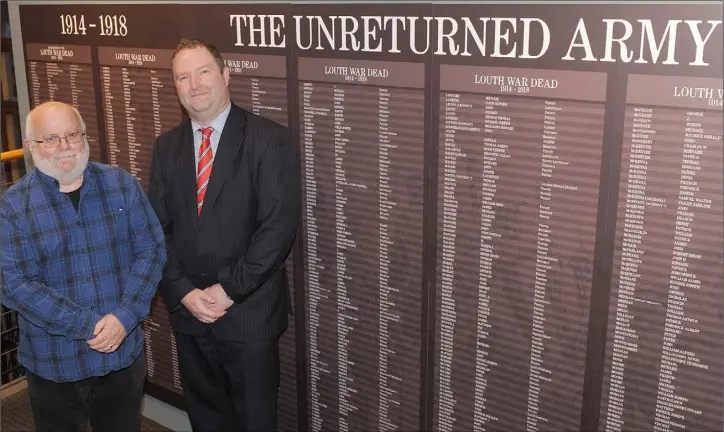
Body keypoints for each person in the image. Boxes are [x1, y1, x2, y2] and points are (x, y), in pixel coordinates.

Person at [148, 39, 299, 432]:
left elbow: (278, 229)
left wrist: (228, 290)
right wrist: (183, 292)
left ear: (225, 76)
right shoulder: (166, 148)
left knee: (254, 421)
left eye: (203, 72)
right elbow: (156, 229)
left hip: (248, 314)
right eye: (183, 76)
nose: (194, 84)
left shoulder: (269, 139)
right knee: (206, 419)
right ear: (176, 87)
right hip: (189, 314)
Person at [0, 101, 166, 432]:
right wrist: (88, 325)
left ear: (84, 137)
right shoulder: (13, 207)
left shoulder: (121, 185)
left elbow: (151, 250)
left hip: (122, 357)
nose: (64, 146)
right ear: (32, 147)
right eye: (51, 139)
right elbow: (15, 285)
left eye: (72, 134)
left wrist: (126, 316)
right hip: (55, 365)